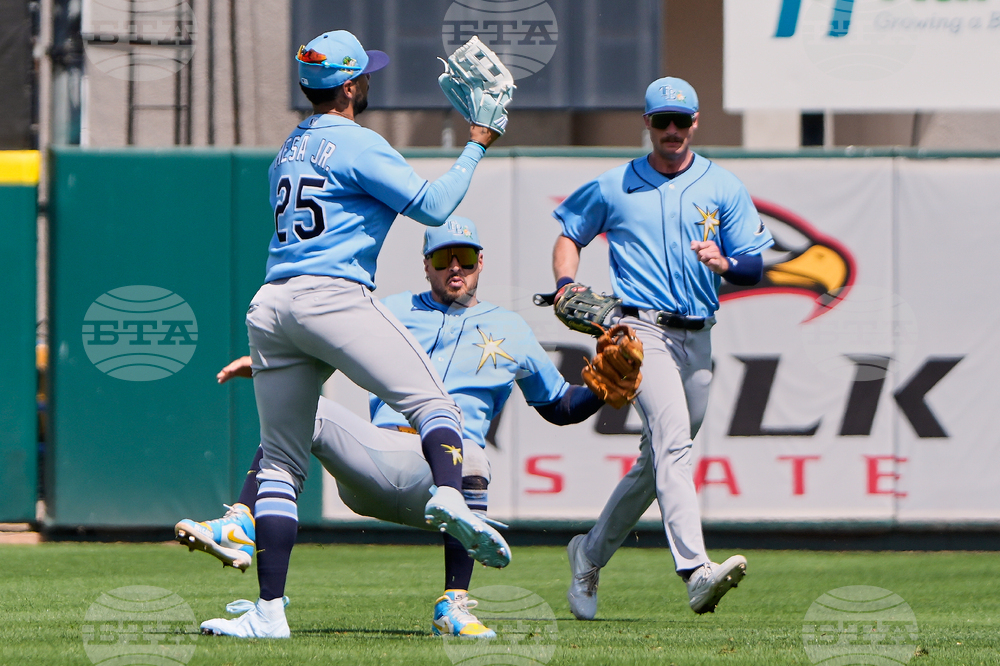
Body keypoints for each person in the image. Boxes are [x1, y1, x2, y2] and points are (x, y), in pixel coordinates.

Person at [209, 29, 509, 638]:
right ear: (348, 86)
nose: (369, 80)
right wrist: (478, 144)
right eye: (364, 74)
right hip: (331, 295)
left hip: (271, 304)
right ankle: (450, 497)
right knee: (434, 404)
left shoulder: (288, 151)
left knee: (281, 464)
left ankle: (269, 612)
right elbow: (433, 206)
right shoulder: (357, 142)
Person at [185, 218, 613, 638]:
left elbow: (560, 407)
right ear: (425, 264)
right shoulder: (388, 310)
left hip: (441, 479)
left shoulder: (511, 329)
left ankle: (454, 606)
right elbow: (317, 352)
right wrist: (273, 367)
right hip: (377, 458)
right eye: (442, 258)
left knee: (473, 455)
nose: (454, 268)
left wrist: (603, 388)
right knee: (302, 414)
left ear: (481, 261)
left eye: (463, 257)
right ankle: (244, 531)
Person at [551, 77, 774, 619]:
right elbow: (568, 232)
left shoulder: (722, 185)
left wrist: (726, 264)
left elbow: (757, 263)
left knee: (656, 463)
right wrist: (564, 283)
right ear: (646, 124)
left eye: (681, 121)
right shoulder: (615, 184)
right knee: (674, 444)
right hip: (640, 329)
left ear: (695, 123)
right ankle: (695, 571)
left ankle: (589, 553)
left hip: (698, 333)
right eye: (661, 121)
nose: (671, 130)